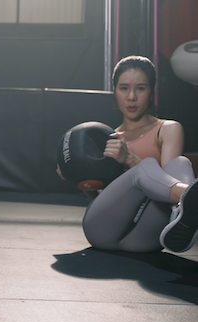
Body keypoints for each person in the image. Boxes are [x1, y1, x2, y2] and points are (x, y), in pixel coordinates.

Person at [68, 55, 197, 253]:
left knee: (180, 163)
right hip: (105, 230)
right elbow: (103, 201)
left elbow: (169, 180)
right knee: (147, 167)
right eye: (124, 88)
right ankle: (189, 198)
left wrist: (129, 159)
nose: (131, 97)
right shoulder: (108, 139)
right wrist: (79, 177)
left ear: (151, 91)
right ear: (115, 92)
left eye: (140, 88)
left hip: (148, 236)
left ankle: (186, 204)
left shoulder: (168, 128)